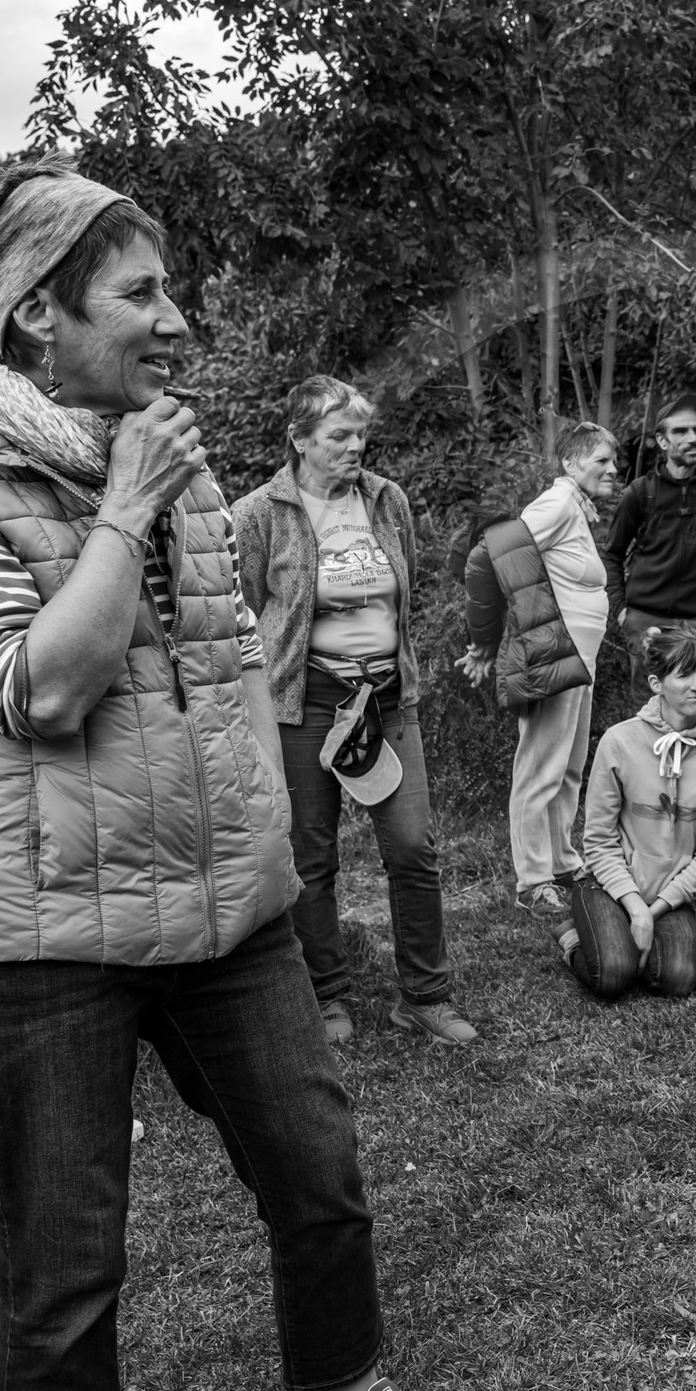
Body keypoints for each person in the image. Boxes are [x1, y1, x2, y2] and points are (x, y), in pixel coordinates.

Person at [0, 154, 470, 1391]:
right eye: (141, 292)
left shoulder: (180, 460)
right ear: (37, 312)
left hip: (228, 904)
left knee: (320, 1176)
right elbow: (38, 688)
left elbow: (224, 677)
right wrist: (126, 504)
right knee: (64, 1262)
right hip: (42, 932)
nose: (176, 320)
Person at [234, 376, 474, 1050]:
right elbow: (245, 611)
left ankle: (424, 996)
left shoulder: (386, 499)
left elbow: (408, 579)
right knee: (310, 858)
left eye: (360, 433)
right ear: (300, 439)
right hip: (305, 707)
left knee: (413, 848)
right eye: (339, 435)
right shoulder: (259, 514)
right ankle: (325, 996)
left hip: (387, 704)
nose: (355, 447)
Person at [458, 422, 617, 916]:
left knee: (567, 768)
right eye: (602, 462)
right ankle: (532, 880)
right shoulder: (556, 504)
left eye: (614, 462)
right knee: (539, 769)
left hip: (578, 658)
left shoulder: (575, 509)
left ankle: (564, 863)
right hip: (552, 654)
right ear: (571, 464)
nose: (612, 471)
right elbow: (486, 558)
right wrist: (484, 642)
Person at [568, 626, 696, 998]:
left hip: (670, 891)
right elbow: (598, 841)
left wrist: (658, 908)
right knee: (613, 976)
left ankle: (628, 937)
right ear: (656, 683)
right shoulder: (619, 741)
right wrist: (635, 908)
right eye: (684, 675)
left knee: (676, 980)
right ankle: (570, 939)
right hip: (609, 884)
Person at [601, 396, 696, 762]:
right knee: (654, 710)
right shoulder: (642, 492)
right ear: (662, 441)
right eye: (681, 431)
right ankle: (657, 788)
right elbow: (611, 553)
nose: (692, 438)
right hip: (647, 618)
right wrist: (623, 611)